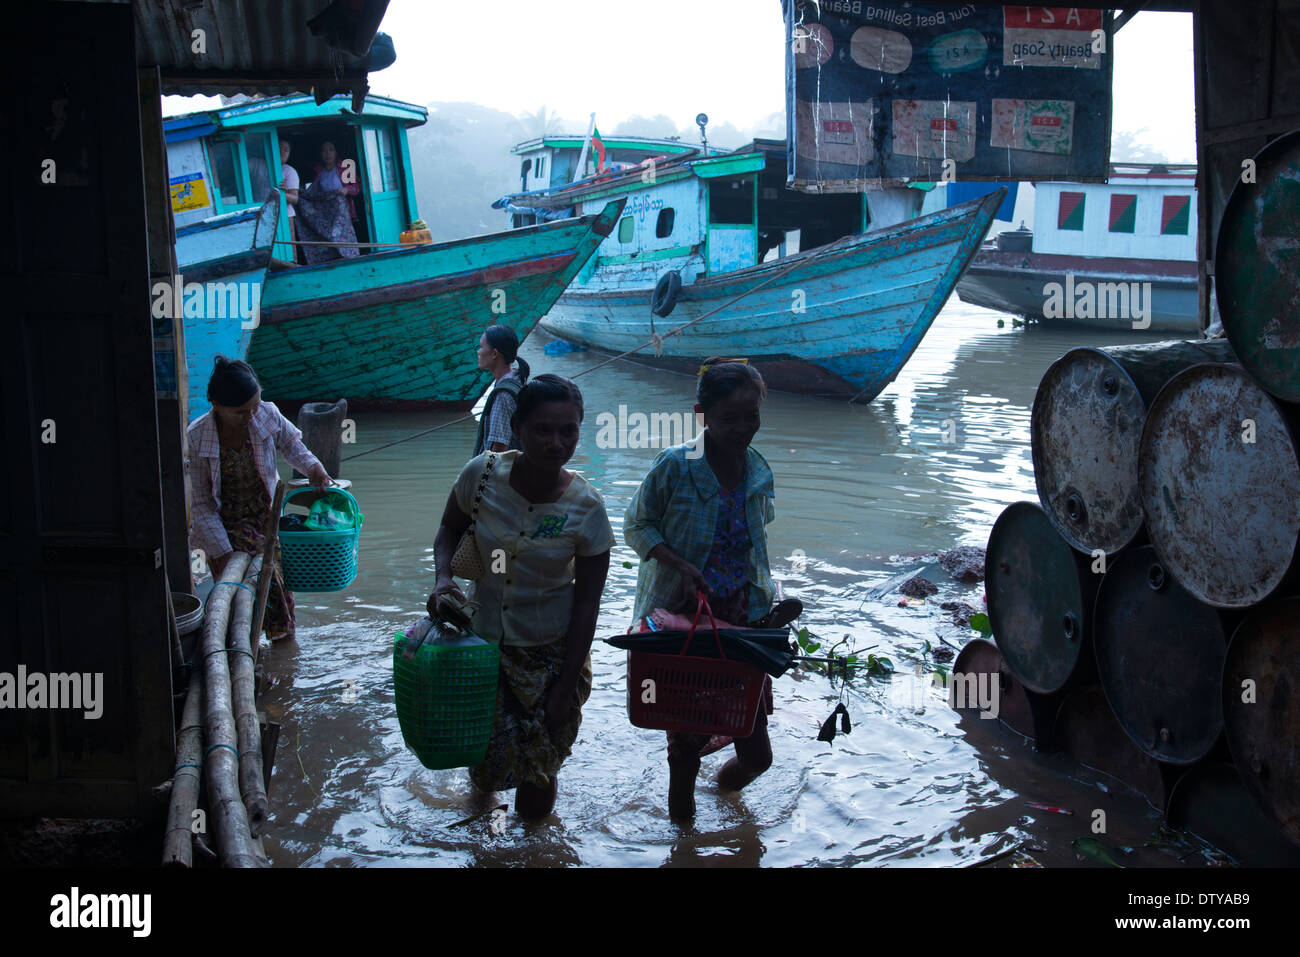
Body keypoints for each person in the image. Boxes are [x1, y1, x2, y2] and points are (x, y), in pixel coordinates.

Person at [623, 357, 801, 819]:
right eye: (730, 418)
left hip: (740, 624)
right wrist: (679, 564)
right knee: (683, 751)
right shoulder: (675, 466)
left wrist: (772, 609)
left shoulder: (758, 472)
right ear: (701, 415)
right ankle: (684, 843)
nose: (744, 428)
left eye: (752, 416)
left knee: (756, 753)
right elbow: (636, 526)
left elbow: (753, 548)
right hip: (685, 620)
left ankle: (722, 801)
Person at [429, 374, 613, 820]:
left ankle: (532, 846)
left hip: (550, 656)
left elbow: (588, 605)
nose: (556, 442)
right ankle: (483, 833)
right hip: (484, 646)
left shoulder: (586, 508)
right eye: (542, 430)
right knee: (484, 757)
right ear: (518, 430)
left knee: (540, 767)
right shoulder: (482, 475)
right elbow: (449, 529)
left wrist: (565, 686)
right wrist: (441, 580)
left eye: (568, 430)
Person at [187, 357, 334, 642]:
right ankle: (247, 650)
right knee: (238, 597)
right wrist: (223, 553)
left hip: (263, 516)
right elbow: (202, 504)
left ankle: (283, 649)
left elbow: (292, 445)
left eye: (254, 407)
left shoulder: (267, 414)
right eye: (241, 412)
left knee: (276, 584)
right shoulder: (197, 436)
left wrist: (314, 467)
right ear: (216, 406)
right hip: (222, 524)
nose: (251, 417)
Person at [472, 324, 531, 456]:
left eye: (481, 347)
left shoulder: (503, 395)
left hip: (504, 473)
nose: (478, 351)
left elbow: (499, 448)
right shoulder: (517, 381)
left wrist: (485, 475)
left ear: (494, 354)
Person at [278, 138, 300, 261]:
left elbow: (295, 199)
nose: (282, 152)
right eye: (280, 148)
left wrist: (283, 194)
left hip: (285, 215)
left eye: (286, 150)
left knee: (290, 253)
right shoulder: (259, 165)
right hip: (264, 213)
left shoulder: (289, 171)